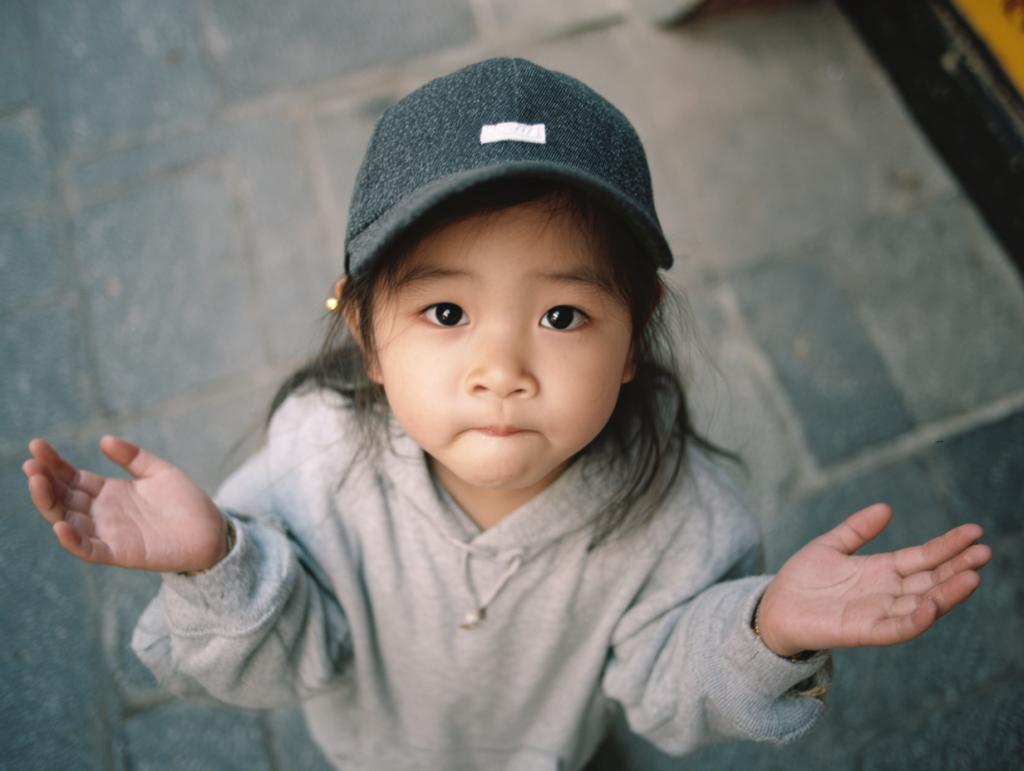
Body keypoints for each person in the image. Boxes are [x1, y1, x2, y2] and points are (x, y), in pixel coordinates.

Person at [23, 58, 990, 771]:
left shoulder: (683, 510)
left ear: (634, 336)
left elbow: (664, 687)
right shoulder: (315, 456)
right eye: (445, 312)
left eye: (563, 314)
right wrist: (217, 563)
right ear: (362, 325)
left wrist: (764, 627)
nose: (501, 368)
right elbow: (290, 659)